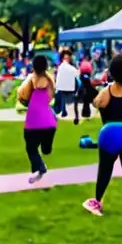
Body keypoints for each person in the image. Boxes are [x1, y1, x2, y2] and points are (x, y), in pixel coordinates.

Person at [83, 54, 122, 223]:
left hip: (111, 131)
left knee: (105, 169)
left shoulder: (109, 89)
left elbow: (97, 103)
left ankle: (97, 202)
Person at [18, 55, 57, 184]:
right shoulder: (50, 80)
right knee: (45, 150)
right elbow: (51, 97)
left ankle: (40, 167)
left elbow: (22, 95)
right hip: (49, 123)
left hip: (33, 122)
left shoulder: (31, 79)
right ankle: (46, 148)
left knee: (31, 148)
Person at [55, 51, 80, 123]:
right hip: (64, 87)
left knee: (69, 101)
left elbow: (76, 74)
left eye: (68, 58)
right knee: (63, 99)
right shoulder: (61, 67)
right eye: (65, 58)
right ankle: (63, 112)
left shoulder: (70, 67)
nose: (66, 59)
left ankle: (66, 112)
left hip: (69, 88)